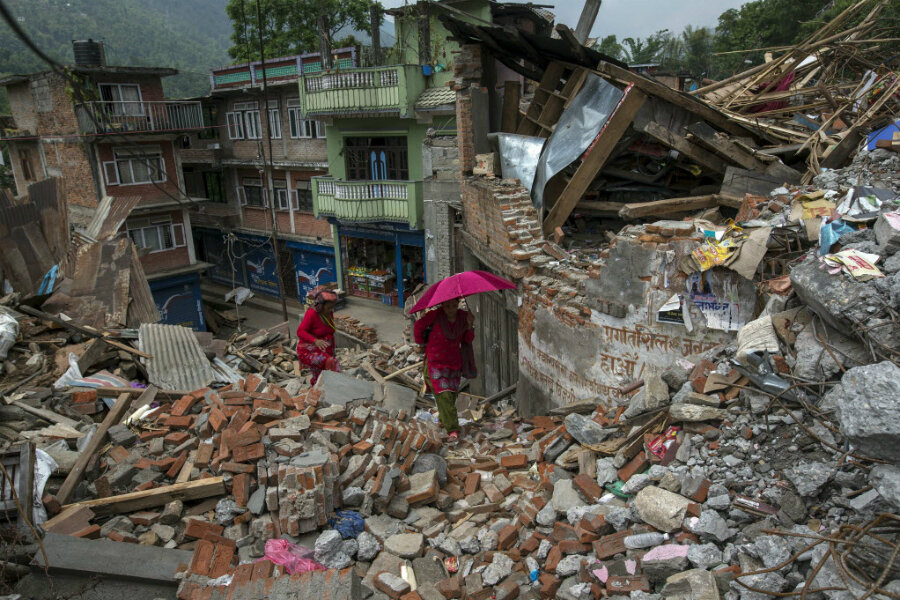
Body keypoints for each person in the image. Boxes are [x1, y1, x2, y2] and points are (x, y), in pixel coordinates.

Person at [413, 298, 476, 441]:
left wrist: (470, 325)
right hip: (436, 363)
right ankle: (453, 429)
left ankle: (443, 418)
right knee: (444, 395)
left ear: (458, 304)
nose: (451, 309)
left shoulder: (463, 317)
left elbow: (467, 339)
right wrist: (420, 344)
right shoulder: (435, 315)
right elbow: (418, 326)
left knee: (451, 395)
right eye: (447, 306)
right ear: (442, 305)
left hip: (453, 364)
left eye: (454, 305)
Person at [296, 287, 341, 385]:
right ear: (320, 305)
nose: (331, 310)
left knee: (324, 372)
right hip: (308, 350)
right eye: (329, 307)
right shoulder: (311, 313)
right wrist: (315, 341)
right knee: (331, 364)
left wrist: (332, 351)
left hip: (323, 348)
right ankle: (323, 390)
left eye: (332, 307)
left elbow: (329, 332)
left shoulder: (329, 313)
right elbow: (300, 332)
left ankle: (318, 389)